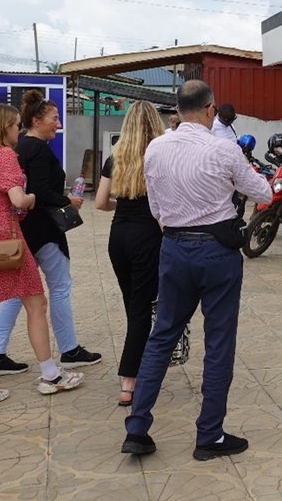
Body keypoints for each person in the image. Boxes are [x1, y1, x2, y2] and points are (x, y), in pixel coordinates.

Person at [121, 80, 272, 459]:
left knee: (162, 335)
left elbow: (156, 207)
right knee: (219, 342)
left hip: (173, 248)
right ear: (210, 109)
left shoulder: (156, 148)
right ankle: (210, 435)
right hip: (218, 253)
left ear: (177, 108)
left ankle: (137, 428)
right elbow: (264, 194)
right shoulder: (223, 149)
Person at [0, 104, 82, 411]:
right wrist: (31, 199)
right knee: (35, 303)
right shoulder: (4, 155)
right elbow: (18, 199)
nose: (17, 131)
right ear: (3, 127)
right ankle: (50, 374)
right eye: (14, 125)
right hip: (6, 239)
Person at [0, 90, 101, 377]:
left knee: (15, 292)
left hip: (22, 230)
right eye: (54, 118)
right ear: (36, 120)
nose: (58, 123)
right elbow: (40, 190)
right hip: (43, 231)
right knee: (60, 287)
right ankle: (69, 349)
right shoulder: (36, 149)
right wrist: (67, 201)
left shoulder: (18, 148)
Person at [94, 100, 165, 407]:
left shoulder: (115, 156)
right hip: (147, 237)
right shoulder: (159, 155)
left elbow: (99, 202)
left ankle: (137, 363)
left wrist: (121, 207)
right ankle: (129, 379)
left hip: (118, 236)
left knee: (132, 306)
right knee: (142, 310)